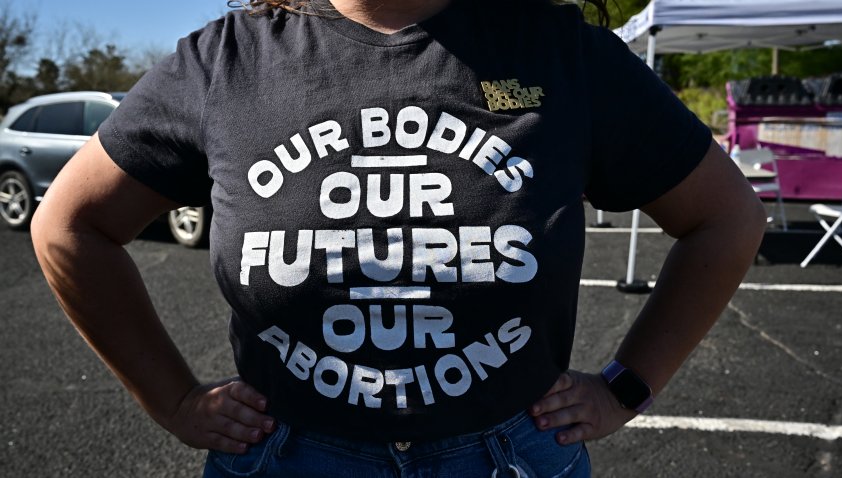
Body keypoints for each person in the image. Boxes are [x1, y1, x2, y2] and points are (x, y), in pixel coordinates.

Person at [31, 0, 766, 476]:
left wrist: (625, 388)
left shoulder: (564, 56)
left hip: (507, 457)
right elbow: (69, 228)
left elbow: (726, 219)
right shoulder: (222, 64)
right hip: (291, 459)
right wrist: (173, 400)